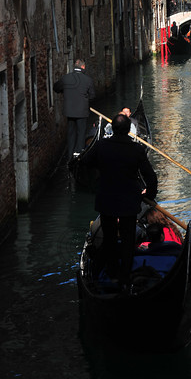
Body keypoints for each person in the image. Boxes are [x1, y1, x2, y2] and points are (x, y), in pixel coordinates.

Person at [81, 113, 158, 287]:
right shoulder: (137, 150)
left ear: (113, 129)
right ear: (128, 131)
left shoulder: (100, 146)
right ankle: (125, 278)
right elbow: (151, 178)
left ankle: (109, 272)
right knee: (128, 240)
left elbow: (85, 161)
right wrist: (149, 196)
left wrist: (100, 169)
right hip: (128, 201)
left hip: (107, 199)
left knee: (109, 239)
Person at [53, 59, 95, 158]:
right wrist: (84, 99)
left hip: (69, 111)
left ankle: (70, 154)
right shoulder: (88, 80)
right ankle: (79, 153)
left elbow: (56, 88)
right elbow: (92, 96)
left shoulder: (65, 78)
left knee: (71, 132)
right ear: (83, 67)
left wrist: (66, 91)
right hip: (82, 111)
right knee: (81, 132)